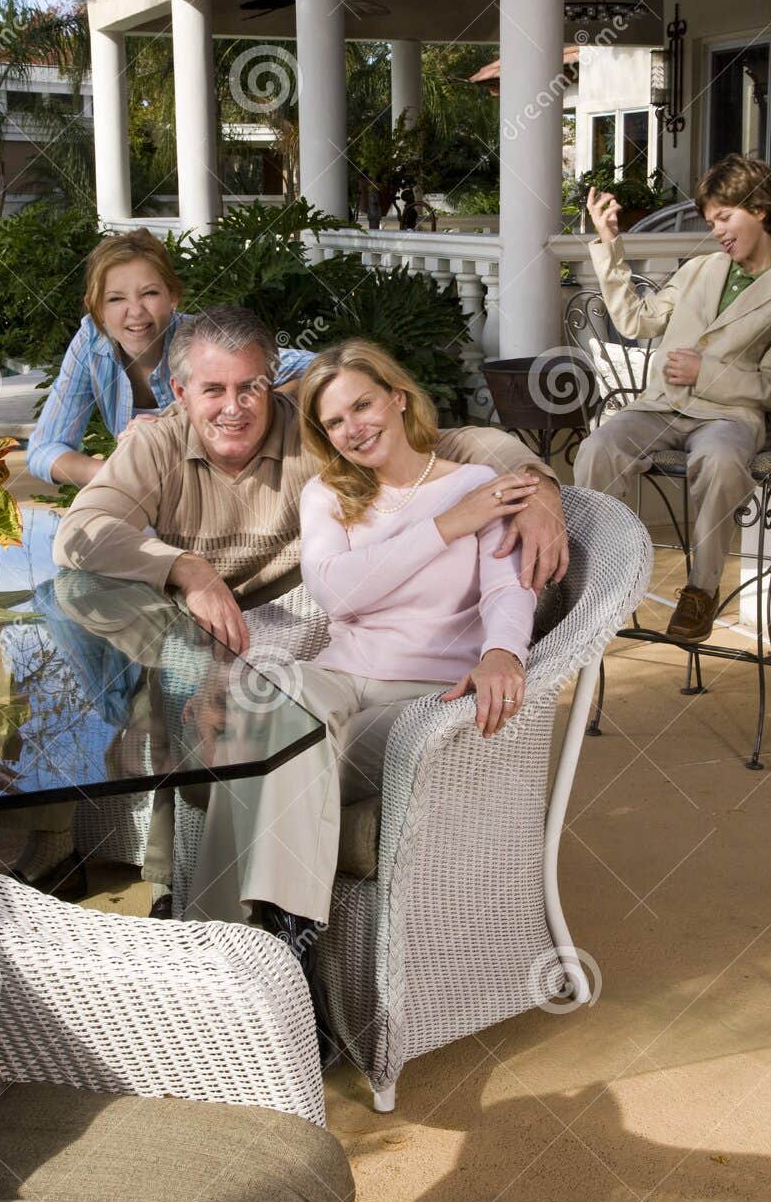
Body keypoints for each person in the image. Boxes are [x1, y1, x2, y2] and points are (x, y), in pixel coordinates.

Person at [184, 339, 537, 938]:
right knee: (281, 698)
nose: (354, 428)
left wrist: (503, 653)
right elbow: (336, 593)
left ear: (398, 398)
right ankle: (284, 935)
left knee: (263, 742)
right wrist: (449, 525)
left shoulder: (477, 483)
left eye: (363, 406)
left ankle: (227, 934)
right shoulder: (328, 495)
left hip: (420, 697)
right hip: (337, 678)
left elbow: (509, 588)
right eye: (335, 422)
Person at [52, 304, 568, 650]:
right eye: (213, 391)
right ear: (180, 393)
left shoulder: (316, 434)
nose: (233, 409)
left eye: (249, 387)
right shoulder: (156, 444)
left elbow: (452, 443)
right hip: (193, 638)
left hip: (301, 637)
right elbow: (80, 532)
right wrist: (189, 569)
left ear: (271, 381)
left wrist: (536, 483)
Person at [574, 154, 771, 644]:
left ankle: (701, 590)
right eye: (712, 222)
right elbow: (637, 321)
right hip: (660, 407)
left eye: (726, 217)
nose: (719, 232)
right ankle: (592, 579)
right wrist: (610, 242)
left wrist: (705, 372)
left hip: (727, 418)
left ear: (761, 209)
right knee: (599, 447)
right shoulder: (701, 269)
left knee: (721, 459)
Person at [25, 228, 312, 487]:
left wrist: (267, 403)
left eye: (149, 293)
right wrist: (117, 474)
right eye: (115, 298)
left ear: (172, 296)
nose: (135, 311)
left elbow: (317, 367)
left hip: (226, 491)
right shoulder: (91, 341)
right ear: (97, 308)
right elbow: (44, 449)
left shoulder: (203, 341)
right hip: (145, 500)